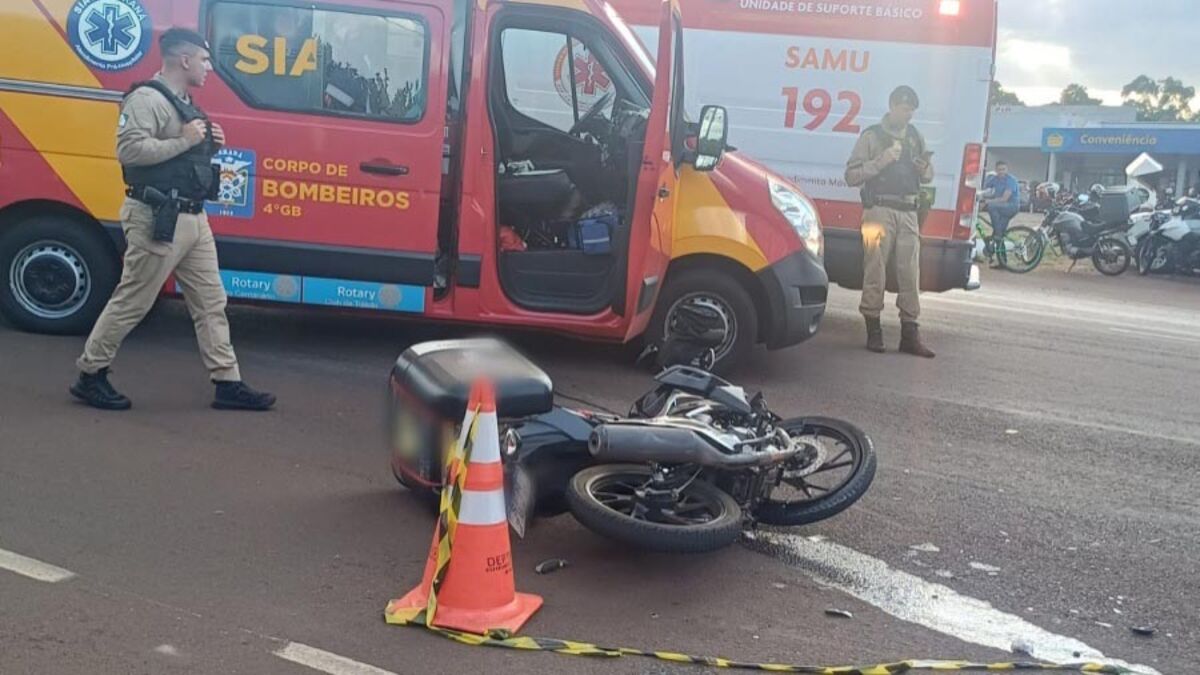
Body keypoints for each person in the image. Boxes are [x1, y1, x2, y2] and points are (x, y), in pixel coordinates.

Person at [70, 28, 275, 411]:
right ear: (184, 59)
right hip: (157, 217)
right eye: (204, 60)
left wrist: (208, 140)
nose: (209, 68)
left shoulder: (183, 101)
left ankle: (227, 382)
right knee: (133, 299)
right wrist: (185, 139)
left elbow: (183, 153)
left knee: (211, 301)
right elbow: (129, 151)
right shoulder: (146, 98)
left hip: (193, 219)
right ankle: (90, 374)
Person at [844, 85, 935, 358]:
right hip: (878, 210)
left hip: (909, 211)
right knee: (875, 269)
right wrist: (881, 161)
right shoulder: (872, 136)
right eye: (905, 109)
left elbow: (929, 176)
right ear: (893, 105)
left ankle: (910, 333)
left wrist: (924, 168)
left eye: (912, 111)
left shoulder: (915, 136)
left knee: (910, 273)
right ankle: (873, 329)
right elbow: (851, 176)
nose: (909, 116)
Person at [981, 161, 1020, 268]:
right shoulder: (994, 179)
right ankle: (1003, 262)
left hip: (1011, 206)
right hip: (1001, 208)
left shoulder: (1010, 180)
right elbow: (983, 189)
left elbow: (1004, 199)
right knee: (1000, 234)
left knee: (992, 207)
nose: (1001, 172)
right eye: (999, 170)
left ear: (1007, 170)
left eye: (1003, 169)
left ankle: (997, 233)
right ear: (996, 170)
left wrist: (988, 202)